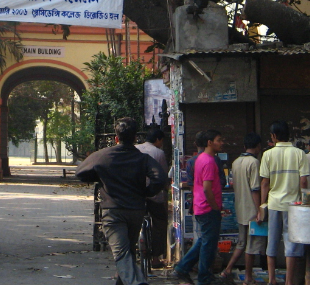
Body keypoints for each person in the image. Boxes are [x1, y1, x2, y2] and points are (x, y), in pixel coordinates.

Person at [76, 117, 165, 285]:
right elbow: (159, 178)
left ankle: (137, 282)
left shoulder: (102, 156)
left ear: (116, 138)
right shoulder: (142, 158)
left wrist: (101, 176)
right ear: (135, 139)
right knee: (128, 252)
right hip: (136, 210)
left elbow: (80, 172)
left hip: (113, 211)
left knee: (122, 253)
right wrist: (146, 192)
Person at [259, 121, 310, 285]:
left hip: (274, 204)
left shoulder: (268, 154)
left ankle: (272, 280)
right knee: (291, 243)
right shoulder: (299, 153)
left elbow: (264, 183)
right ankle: (289, 281)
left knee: (272, 241)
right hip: (294, 206)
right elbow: (303, 182)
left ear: (273, 136)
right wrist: (303, 201)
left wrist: (261, 205)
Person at [173, 129, 226, 285]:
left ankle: (182, 268)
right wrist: (215, 207)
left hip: (201, 206)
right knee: (208, 243)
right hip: (208, 208)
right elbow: (207, 188)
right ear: (210, 143)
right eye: (219, 140)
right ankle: (203, 276)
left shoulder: (200, 158)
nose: (221, 143)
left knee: (204, 240)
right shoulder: (209, 161)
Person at [220, 133, 266, 285]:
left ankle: (227, 270)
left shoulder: (236, 162)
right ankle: (248, 277)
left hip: (240, 208)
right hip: (251, 209)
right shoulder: (254, 163)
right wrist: (259, 209)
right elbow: (255, 189)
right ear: (258, 146)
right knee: (251, 246)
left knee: (241, 243)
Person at [136, 128, 170, 269]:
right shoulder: (159, 153)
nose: (161, 144)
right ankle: (156, 258)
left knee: (132, 223)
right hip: (154, 195)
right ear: (158, 140)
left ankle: (132, 255)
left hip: (136, 195)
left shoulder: (135, 149)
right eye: (161, 141)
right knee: (160, 223)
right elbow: (162, 175)